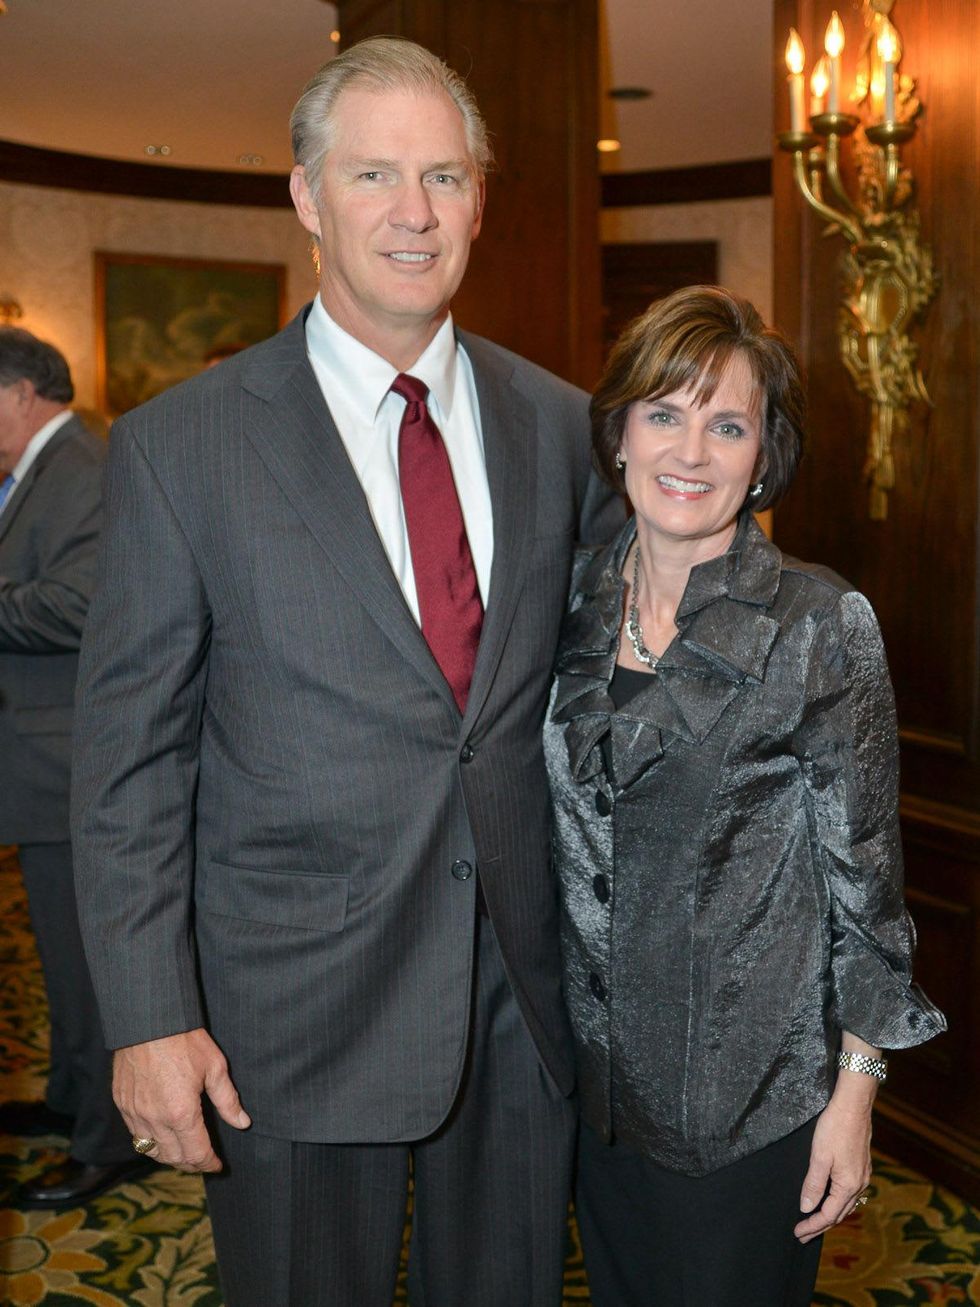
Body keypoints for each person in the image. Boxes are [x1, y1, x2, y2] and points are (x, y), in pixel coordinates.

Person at [71, 36, 619, 1307]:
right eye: (374, 175)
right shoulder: (179, 448)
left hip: (522, 1006)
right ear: (308, 199)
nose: (413, 213)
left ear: (480, 200)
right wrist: (150, 1019)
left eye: (443, 176)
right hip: (291, 1014)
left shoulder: (559, 426)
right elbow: (129, 769)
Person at [544, 285, 946, 1306]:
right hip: (593, 1097)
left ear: (762, 456)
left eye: (726, 424)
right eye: (663, 412)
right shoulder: (568, 599)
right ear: (619, 431)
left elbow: (866, 886)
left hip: (745, 1105)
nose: (689, 450)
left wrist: (854, 1094)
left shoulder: (816, 619)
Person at [0, 327, 145, 1204]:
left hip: (69, 766)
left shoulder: (84, 461)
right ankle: (69, 1098)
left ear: (20, 391)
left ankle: (109, 1137)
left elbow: (83, 604)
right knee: (59, 959)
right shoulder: (46, 468)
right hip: (42, 760)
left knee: (86, 965)